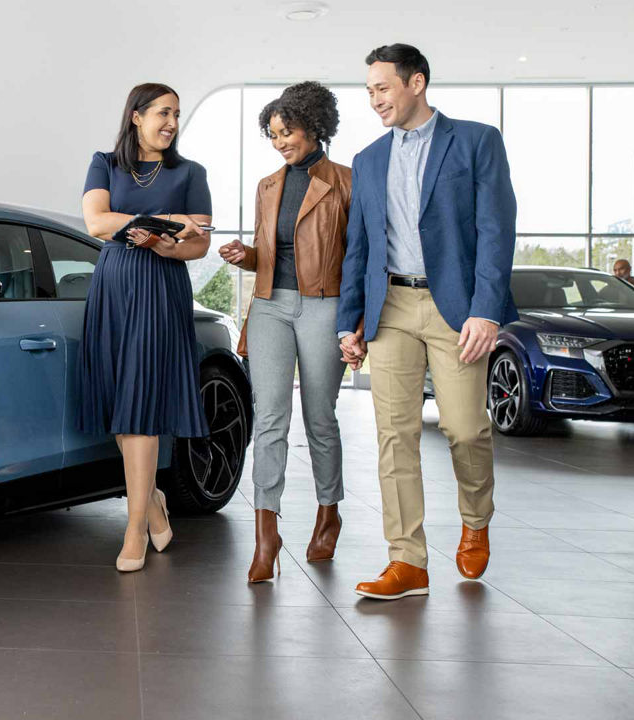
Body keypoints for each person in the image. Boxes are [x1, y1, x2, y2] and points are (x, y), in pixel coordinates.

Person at [337, 44, 518, 600]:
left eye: (383, 88)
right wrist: (350, 321)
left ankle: (476, 516)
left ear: (417, 83)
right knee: (395, 436)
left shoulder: (476, 141)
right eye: (369, 90)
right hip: (389, 308)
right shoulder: (367, 160)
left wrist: (486, 310)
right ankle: (407, 561)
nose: (375, 100)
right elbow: (358, 247)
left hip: (457, 309)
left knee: (465, 428)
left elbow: (496, 228)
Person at [217, 81, 352, 582]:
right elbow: (270, 256)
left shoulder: (347, 182)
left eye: (287, 131)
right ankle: (265, 533)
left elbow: (357, 259)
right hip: (271, 306)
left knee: (320, 418)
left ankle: (328, 511)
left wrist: (355, 322)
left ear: (314, 124)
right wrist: (244, 256)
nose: (280, 143)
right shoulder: (268, 186)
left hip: (325, 305)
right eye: (272, 135)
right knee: (270, 418)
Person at [78, 82, 212, 572]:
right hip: (113, 286)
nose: (171, 122)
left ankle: (134, 527)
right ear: (135, 115)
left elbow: (198, 244)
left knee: (140, 405)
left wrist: (162, 240)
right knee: (118, 400)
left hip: (160, 285)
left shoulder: (190, 172)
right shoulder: (105, 163)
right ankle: (151, 499)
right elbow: (95, 223)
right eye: (162, 112)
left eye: (176, 114)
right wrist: (169, 218)